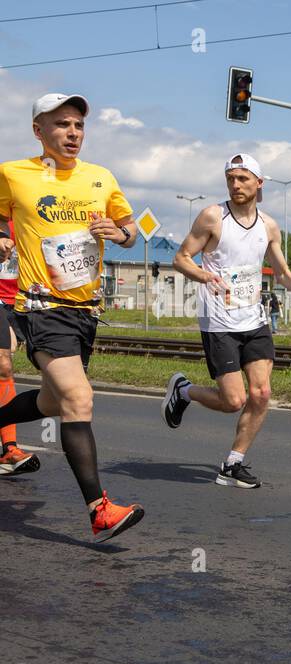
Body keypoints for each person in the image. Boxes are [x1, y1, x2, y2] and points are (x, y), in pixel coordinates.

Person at [0, 93, 144, 540]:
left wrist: (119, 233)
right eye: (62, 125)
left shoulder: (101, 178)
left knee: (50, 402)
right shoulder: (13, 174)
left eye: (78, 126)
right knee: (79, 400)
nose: (73, 133)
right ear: (38, 130)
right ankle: (100, 510)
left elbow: (131, 229)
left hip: (86, 312)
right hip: (42, 308)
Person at [162, 154, 291, 489]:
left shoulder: (268, 226)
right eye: (231, 178)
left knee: (261, 393)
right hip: (218, 321)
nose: (235, 185)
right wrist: (205, 276)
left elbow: (280, 271)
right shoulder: (212, 217)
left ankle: (233, 463)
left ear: (259, 183)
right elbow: (180, 258)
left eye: (243, 178)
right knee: (233, 401)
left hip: (254, 318)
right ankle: (184, 391)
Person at [0, 219, 39, 476]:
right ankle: (10, 447)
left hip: (28, 300)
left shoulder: (34, 209)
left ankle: (9, 451)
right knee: (3, 364)